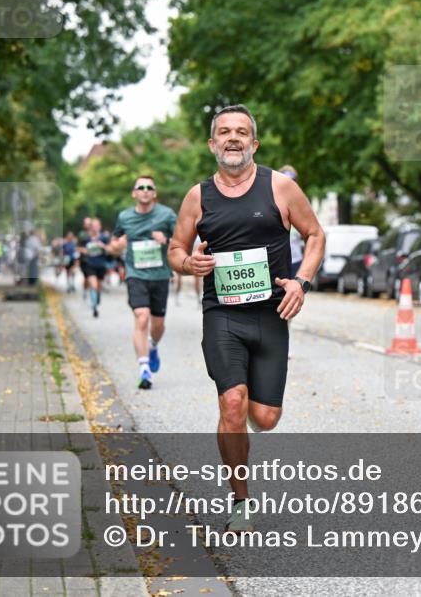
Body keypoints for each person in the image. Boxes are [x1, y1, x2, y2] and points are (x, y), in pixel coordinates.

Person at [168, 104, 325, 532]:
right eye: (224, 132)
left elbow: (315, 234)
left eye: (241, 132)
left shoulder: (280, 187)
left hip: (272, 312)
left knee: (266, 419)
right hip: (222, 315)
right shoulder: (198, 197)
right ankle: (240, 500)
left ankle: (246, 415)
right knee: (232, 402)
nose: (232, 138)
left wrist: (301, 281)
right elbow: (176, 250)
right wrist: (189, 265)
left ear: (253, 143)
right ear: (212, 144)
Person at [108, 175, 178, 390]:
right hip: (135, 273)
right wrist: (117, 246)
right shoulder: (125, 217)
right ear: (134, 193)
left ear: (154, 193)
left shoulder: (166, 215)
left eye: (149, 187)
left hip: (160, 276)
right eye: (141, 187)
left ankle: (153, 345)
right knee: (141, 318)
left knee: (158, 325)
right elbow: (113, 245)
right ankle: (144, 369)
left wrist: (165, 240)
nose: (145, 190)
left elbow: (181, 241)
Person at [79, 219, 110, 317]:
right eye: (93, 226)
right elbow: (79, 247)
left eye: (97, 226)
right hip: (89, 264)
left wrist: (103, 246)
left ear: (100, 227)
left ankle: (97, 296)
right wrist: (84, 250)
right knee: (93, 285)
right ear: (91, 227)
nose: (95, 228)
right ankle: (94, 307)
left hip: (101, 265)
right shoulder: (86, 238)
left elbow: (111, 249)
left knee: (98, 286)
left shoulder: (104, 238)